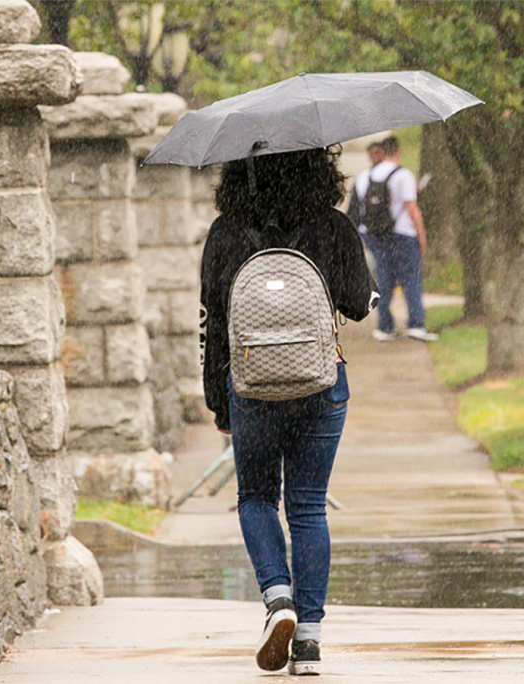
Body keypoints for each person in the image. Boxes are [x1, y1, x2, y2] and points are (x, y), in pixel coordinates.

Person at [199, 147, 378, 675]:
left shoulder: (225, 232)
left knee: (255, 496)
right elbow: (357, 303)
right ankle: (311, 643)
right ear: (318, 165)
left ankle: (279, 599)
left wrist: (218, 400)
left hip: (251, 387)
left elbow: (211, 323)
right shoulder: (332, 225)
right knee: (307, 506)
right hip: (321, 385)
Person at [357, 136, 438, 342]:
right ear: (398, 151)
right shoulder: (403, 175)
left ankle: (384, 325)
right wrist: (422, 234)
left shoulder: (365, 177)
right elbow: (411, 208)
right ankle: (416, 324)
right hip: (402, 234)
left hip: (376, 235)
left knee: (384, 278)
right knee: (411, 278)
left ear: (382, 152)